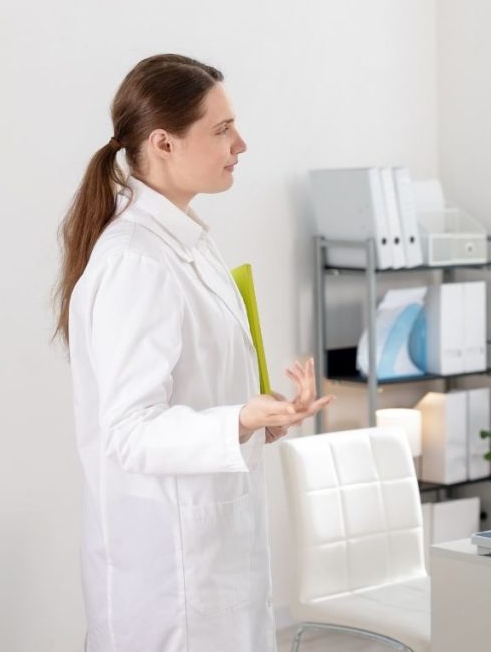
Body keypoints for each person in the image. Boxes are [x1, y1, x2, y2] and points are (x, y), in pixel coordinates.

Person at [54, 54, 332, 652]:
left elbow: (198, 396)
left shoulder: (188, 242)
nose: (241, 144)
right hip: (168, 578)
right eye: (222, 128)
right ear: (164, 143)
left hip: (211, 558)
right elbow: (128, 431)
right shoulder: (136, 260)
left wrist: (264, 418)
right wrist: (238, 420)